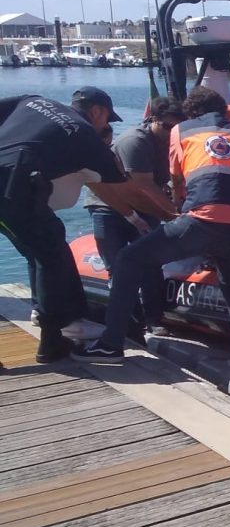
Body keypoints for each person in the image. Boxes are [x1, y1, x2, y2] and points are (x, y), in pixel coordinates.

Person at [73, 87, 230, 370]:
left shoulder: (182, 131)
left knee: (129, 259)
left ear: (191, 113)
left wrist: (176, 210)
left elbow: (178, 179)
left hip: (205, 220)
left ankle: (111, 344)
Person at [0, 88, 163, 363]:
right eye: (106, 119)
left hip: (9, 182)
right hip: (13, 188)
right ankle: (53, 338)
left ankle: (53, 316)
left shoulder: (33, 100)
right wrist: (172, 219)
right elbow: (127, 192)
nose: (106, 126)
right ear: (97, 111)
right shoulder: (85, 134)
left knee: (43, 247)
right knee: (51, 254)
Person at [84, 97, 185, 342]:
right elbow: (144, 186)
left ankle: (153, 319)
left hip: (145, 207)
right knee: (116, 267)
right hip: (108, 206)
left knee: (151, 263)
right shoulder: (135, 141)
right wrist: (175, 216)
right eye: (167, 127)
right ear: (154, 120)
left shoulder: (173, 143)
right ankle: (127, 322)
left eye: (177, 128)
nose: (172, 132)